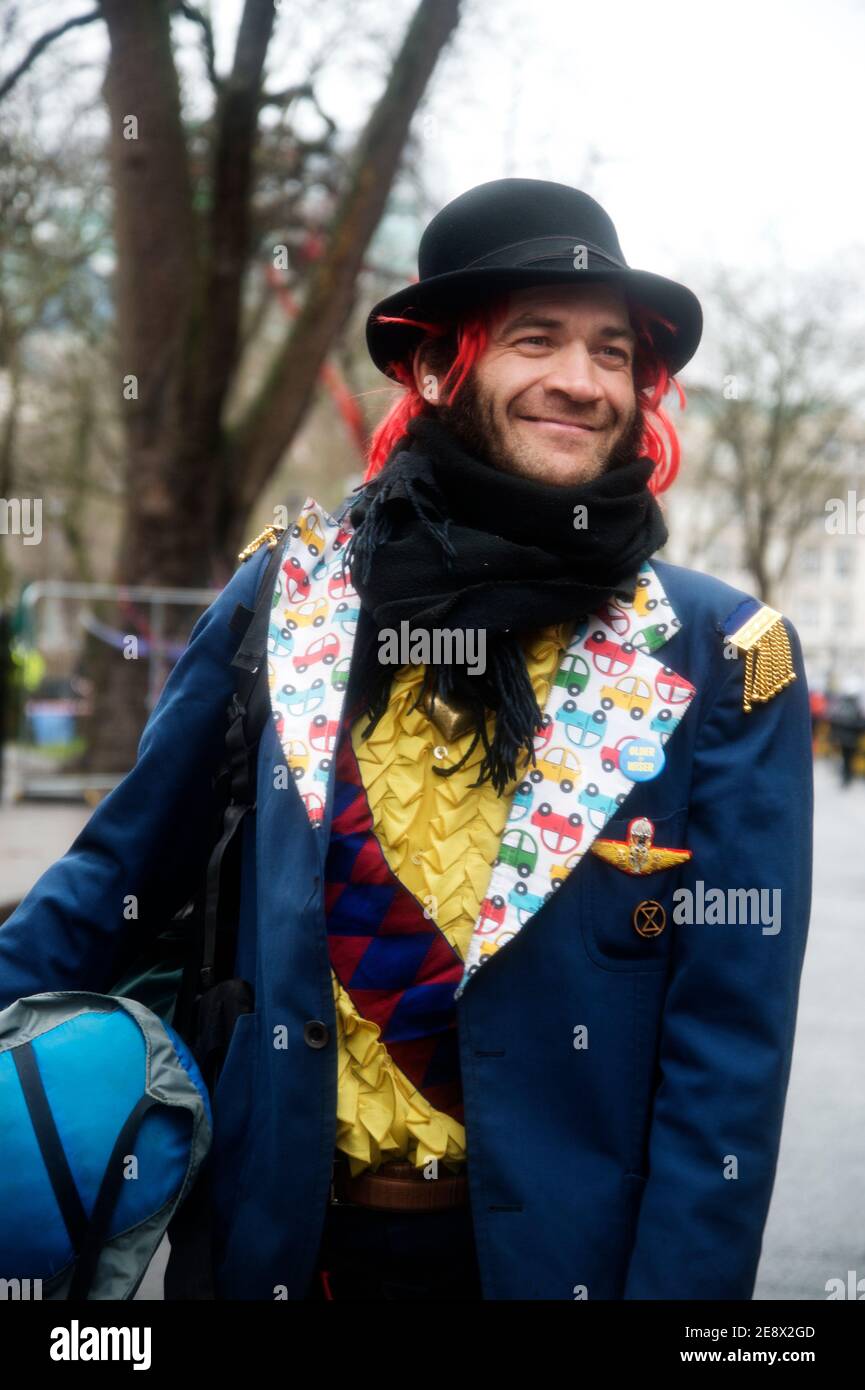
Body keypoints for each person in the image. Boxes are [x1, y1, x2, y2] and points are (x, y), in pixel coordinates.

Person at [0, 179, 814, 1301]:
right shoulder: (283, 598)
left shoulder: (722, 656)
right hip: (281, 1253)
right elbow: (111, 879)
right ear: (439, 367)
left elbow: (728, 1060)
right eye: (536, 339)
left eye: (612, 352)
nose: (581, 382)